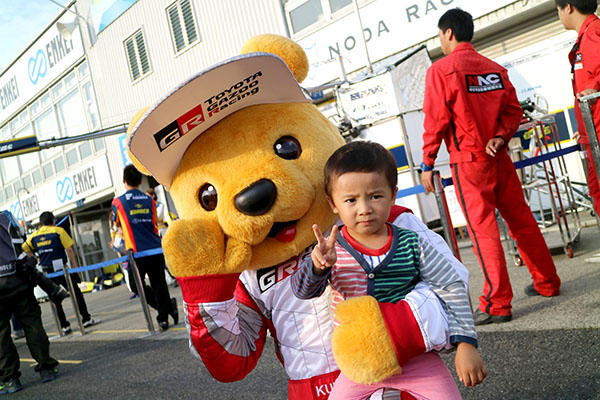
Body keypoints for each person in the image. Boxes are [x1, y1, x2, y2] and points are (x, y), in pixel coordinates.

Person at [291, 141, 485, 398]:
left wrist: (466, 344)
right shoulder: (330, 248)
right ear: (333, 203)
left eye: (375, 196)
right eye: (350, 200)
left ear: (393, 195)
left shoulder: (412, 243)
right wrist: (318, 266)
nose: (364, 209)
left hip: (417, 357)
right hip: (359, 364)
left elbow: (451, 287)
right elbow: (302, 291)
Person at [420, 8, 561, 325]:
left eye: (440, 36)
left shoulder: (441, 71)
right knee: (522, 221)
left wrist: (427, 162)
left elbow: (436, 121)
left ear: (449, 34)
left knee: (483, 232)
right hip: (499, 157)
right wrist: (500, 136)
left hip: (469, 163)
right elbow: (513, 112)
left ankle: (497, 304)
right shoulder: (494, 69)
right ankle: (548, 282)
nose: (441, 41)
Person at [555, 0, 600, 263]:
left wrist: (593, 90)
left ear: (568, 7)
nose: (559, 16)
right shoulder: (585, 39)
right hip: (591, 135)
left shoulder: (594, 33)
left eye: (558, 10)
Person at [112, 165, 178, 331]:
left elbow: (117, 224)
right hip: (155, 248)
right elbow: (154, 223)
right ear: (141, 181)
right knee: (159, 285)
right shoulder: (150, 201)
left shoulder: (117, 202)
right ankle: (165, 312)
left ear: (124, 181)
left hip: (136, 252)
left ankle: (166, 310)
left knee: (136, 286)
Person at [0, 211, 60, 394]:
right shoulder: (6, 217)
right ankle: (46, 368)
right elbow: (21, 246)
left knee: (1, 335)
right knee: (33, 324)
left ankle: (10, 379)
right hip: (18, 279)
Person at [23, 212, 99, 334]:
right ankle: (86, 319)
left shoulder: (34, 235)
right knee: (76, 293)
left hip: (48, 271)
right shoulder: (59, 231)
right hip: (62, 270)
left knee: (55, 298)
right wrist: (74, 268)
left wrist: (35, 257)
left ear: (41, 223)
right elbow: (69, 249)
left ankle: (64, 326)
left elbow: (25, 248)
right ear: (53, 220)